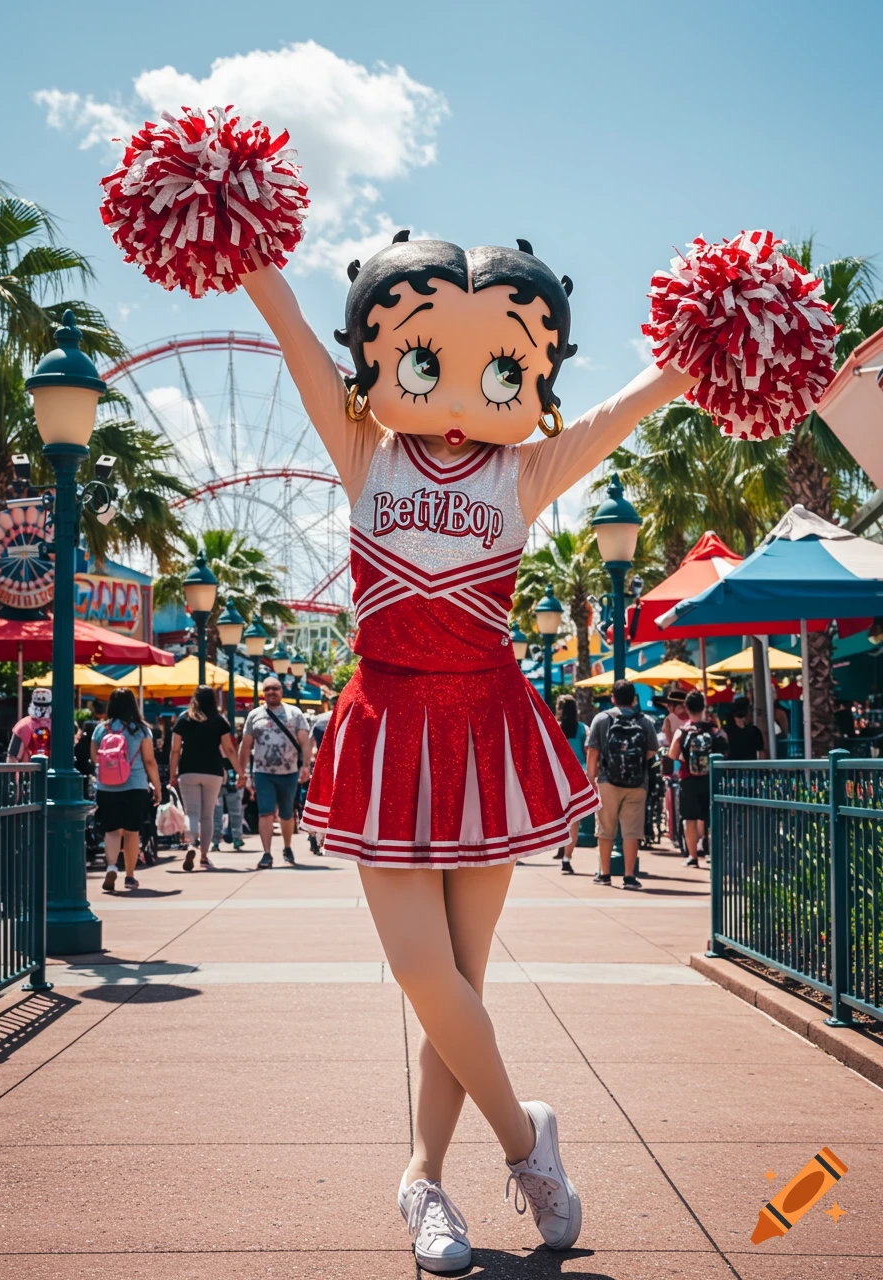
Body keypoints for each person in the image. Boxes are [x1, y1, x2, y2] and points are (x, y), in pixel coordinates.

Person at [109, 160, 825, 1262]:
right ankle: (524, 1137)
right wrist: (234, 229)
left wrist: (712, 340)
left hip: (484, 728)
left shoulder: (525, 471)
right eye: (419, 354)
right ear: (378, 358)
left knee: (461, 985)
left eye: (504, 363)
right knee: (419, 971)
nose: (460, 384)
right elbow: (292, 326)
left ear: (532, 371)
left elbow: (630, 404)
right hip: (389, 724)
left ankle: (421, 1184)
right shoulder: (362, 450)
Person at [585, 680, 659, 890]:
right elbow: (652, 751)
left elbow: (593, 751)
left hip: (607, 781)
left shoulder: (601, 719)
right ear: (634, 699)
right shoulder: (644, 721)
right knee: (632, 831)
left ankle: (605, 874)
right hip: (637, 783)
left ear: (613, 698)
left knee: (605, 828)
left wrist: (591, 779)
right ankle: (629, 876)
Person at [91, 688, 161, 891]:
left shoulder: (101, 729)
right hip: (135, 786)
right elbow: (149, 760)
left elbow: (95, 758)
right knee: (132, 832)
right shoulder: (141, 729)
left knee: (112, 831)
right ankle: (130, 876)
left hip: (106, 787)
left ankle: (112, 866)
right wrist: (157, 787)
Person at [239, 676, 311, 868]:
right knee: (265, 812)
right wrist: (242, 772)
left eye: (275, 689)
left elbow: (304, 742)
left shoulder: (294, 713)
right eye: (267, 689)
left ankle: (287, 847)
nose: (271, 692)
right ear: (263, 692)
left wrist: (305, 766)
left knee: (287, 813)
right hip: (263, 772)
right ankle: (267, 853)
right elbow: (245, 746)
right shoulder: (254, 715)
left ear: (281, 691)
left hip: (289, 772)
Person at [170, 685, 244, 871]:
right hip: (213, 771)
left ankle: (191, 844)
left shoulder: (184, 719)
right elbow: (229, 750)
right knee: (207, 815)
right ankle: (203, 856)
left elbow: (175, 750)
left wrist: (172, 773)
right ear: (214, 700)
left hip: (188, 770)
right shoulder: (219, 721)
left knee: (192, 812)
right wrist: (240, 772)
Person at [668, 690, 727, 868]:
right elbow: (725, 750)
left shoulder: (683, 731)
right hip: (710, 779)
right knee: (710, 817)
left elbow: (672, 754)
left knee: (690, 819)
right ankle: (710, 853)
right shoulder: (714, 730)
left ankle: (693, 857)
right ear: (704, 707)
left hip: (688, 779)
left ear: (686, 707)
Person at [554, 696, 587, 874]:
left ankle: (560, 843)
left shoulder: (554, 728)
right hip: (577, 776)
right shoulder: (582, 729)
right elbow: (587, 752)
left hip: (558, 776)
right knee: (574, 821)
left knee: (561, 818)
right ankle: (567, 858)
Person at [7, 687, 53, 762]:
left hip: (28, 771)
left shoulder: (23, 725)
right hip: (49, 772)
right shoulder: (57, 726)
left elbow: (12, 758)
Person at [725, 696, 765, 761]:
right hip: (751, 769)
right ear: (747, 711)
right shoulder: (754, 731)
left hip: (732, 769)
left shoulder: (726, 732)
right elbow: (761, 755)